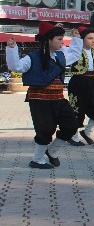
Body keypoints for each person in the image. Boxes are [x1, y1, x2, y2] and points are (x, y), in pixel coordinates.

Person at [5, 22, 82, 169]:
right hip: (39, 99)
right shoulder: (32, 57)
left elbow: (75, 54)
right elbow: (15, 67)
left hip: (58, 98)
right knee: (45, 130)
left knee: (71, 126)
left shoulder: (61, 55)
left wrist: (77, 39)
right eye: (59, 39)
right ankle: (37, 159)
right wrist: (12, 49)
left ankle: (52, 151)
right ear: (48, 40)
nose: (62, 42)